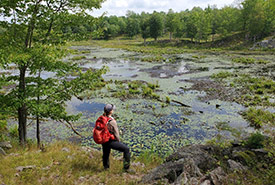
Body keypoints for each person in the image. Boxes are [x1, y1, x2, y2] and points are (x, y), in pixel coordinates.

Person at [101, 104, 132, 172]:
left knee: (106, 153)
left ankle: (106, 168)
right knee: (126, 149)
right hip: (110, 140)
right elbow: (116, 134)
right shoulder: (112, 121)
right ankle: (126, 168)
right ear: (111, 111)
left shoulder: (102, 118)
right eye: (112, 109)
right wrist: (118, 141)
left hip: (103, 140)